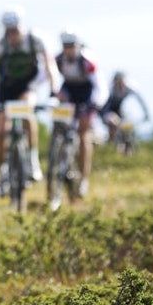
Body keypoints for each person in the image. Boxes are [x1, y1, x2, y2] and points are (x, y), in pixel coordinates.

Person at [0, 7, 58, 196]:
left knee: (26, 111)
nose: (12, 35)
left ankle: (32, 161)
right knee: (0, 131)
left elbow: (50, 66)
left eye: (15, 30)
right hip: (6, 87)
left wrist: (53, 93)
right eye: (8, 31)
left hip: (29, 85)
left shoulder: (36, 39)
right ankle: (2, 171)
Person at [52, 29, 101, 196]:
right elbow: (47, 77)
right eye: (65, 46)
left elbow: (99, 85)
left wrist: (96, 103)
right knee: (59, 120)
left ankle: (84, 179)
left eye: (71, 46)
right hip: (69, 91)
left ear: (78, 45)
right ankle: (58, 152)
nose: (68, 49)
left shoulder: (87, 61)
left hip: (86, 93)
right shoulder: (58, 60)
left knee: (83, 133)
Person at [99, 71, 150, 148]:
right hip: (106, 108)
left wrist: (146, 113)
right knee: (113, 124)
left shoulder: (130, 87)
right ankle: (110, 145)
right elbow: (104, 104)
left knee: (124, 127)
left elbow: (140, 101)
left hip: (118, 109)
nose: (119, 84)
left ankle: (124, 146)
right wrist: (106, 116)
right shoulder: (110, 89)